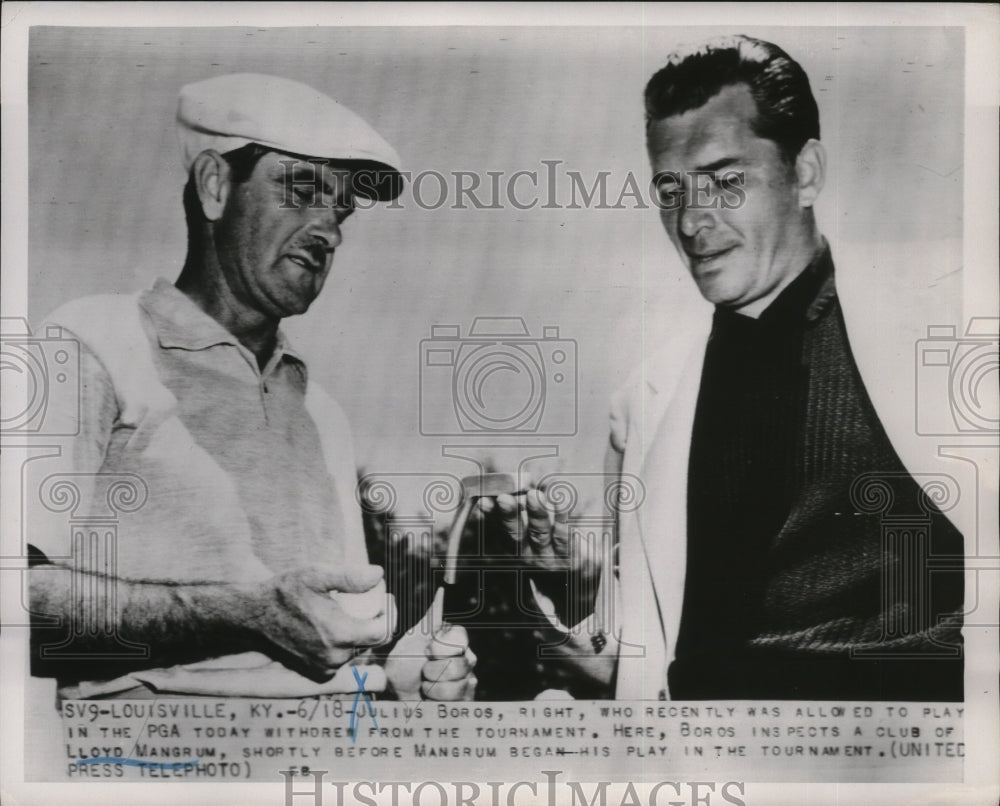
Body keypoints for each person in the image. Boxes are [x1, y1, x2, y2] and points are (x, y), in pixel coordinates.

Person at [498, 36, 966, 700]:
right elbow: (636, 651)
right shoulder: (643, 405)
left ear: (805, 173)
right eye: (670, 189)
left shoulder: (944, 340)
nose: (691, 220)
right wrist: (573, 583)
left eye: (725, 180)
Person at [27, 73, 475, 702]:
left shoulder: (321, 412)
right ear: (215, 185)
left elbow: (326, 641)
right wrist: (245, 614)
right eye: (302, 191)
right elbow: (15, 605)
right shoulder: (87, 343)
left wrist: (404, 677)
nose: (331, 231)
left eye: (341, 209)